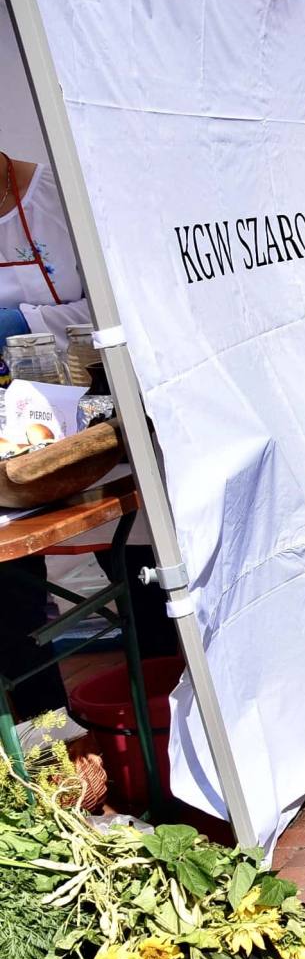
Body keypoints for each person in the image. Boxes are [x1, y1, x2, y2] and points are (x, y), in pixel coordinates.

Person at [0, 150, 175, 717]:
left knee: (136, 555)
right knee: (12, 578)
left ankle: (168, 705)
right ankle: (42, 725)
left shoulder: (61, 191)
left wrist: (21, 323)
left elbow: (118, 297)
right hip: (20, 428)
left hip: (102, 402)